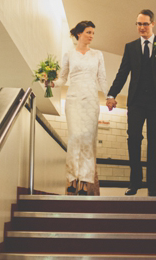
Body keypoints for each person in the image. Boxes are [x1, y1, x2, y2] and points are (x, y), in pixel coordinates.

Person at [106, 9, 156, 196]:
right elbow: (122, 73)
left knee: (155, 142)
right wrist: (111, 94)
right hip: (136, 102)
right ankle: (135, 182)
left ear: (153, 24)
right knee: (133, 140)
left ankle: (153, 187)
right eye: (138, 24)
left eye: (145, 24)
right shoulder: (130, 47)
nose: (141, 27)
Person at [52, 21, 108, 195]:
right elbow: (63, 78)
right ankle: (72, 178)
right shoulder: (69, 54)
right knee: (75, 137)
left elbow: (102, 78)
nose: (91, 36)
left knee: (88, 140)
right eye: (88, 32)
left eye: (93, 33)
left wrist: (110, 97)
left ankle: (85, 182)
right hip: (74, 99)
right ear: (79, 34)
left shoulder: (98, 54)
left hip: (91, 100)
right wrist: (51, 83)